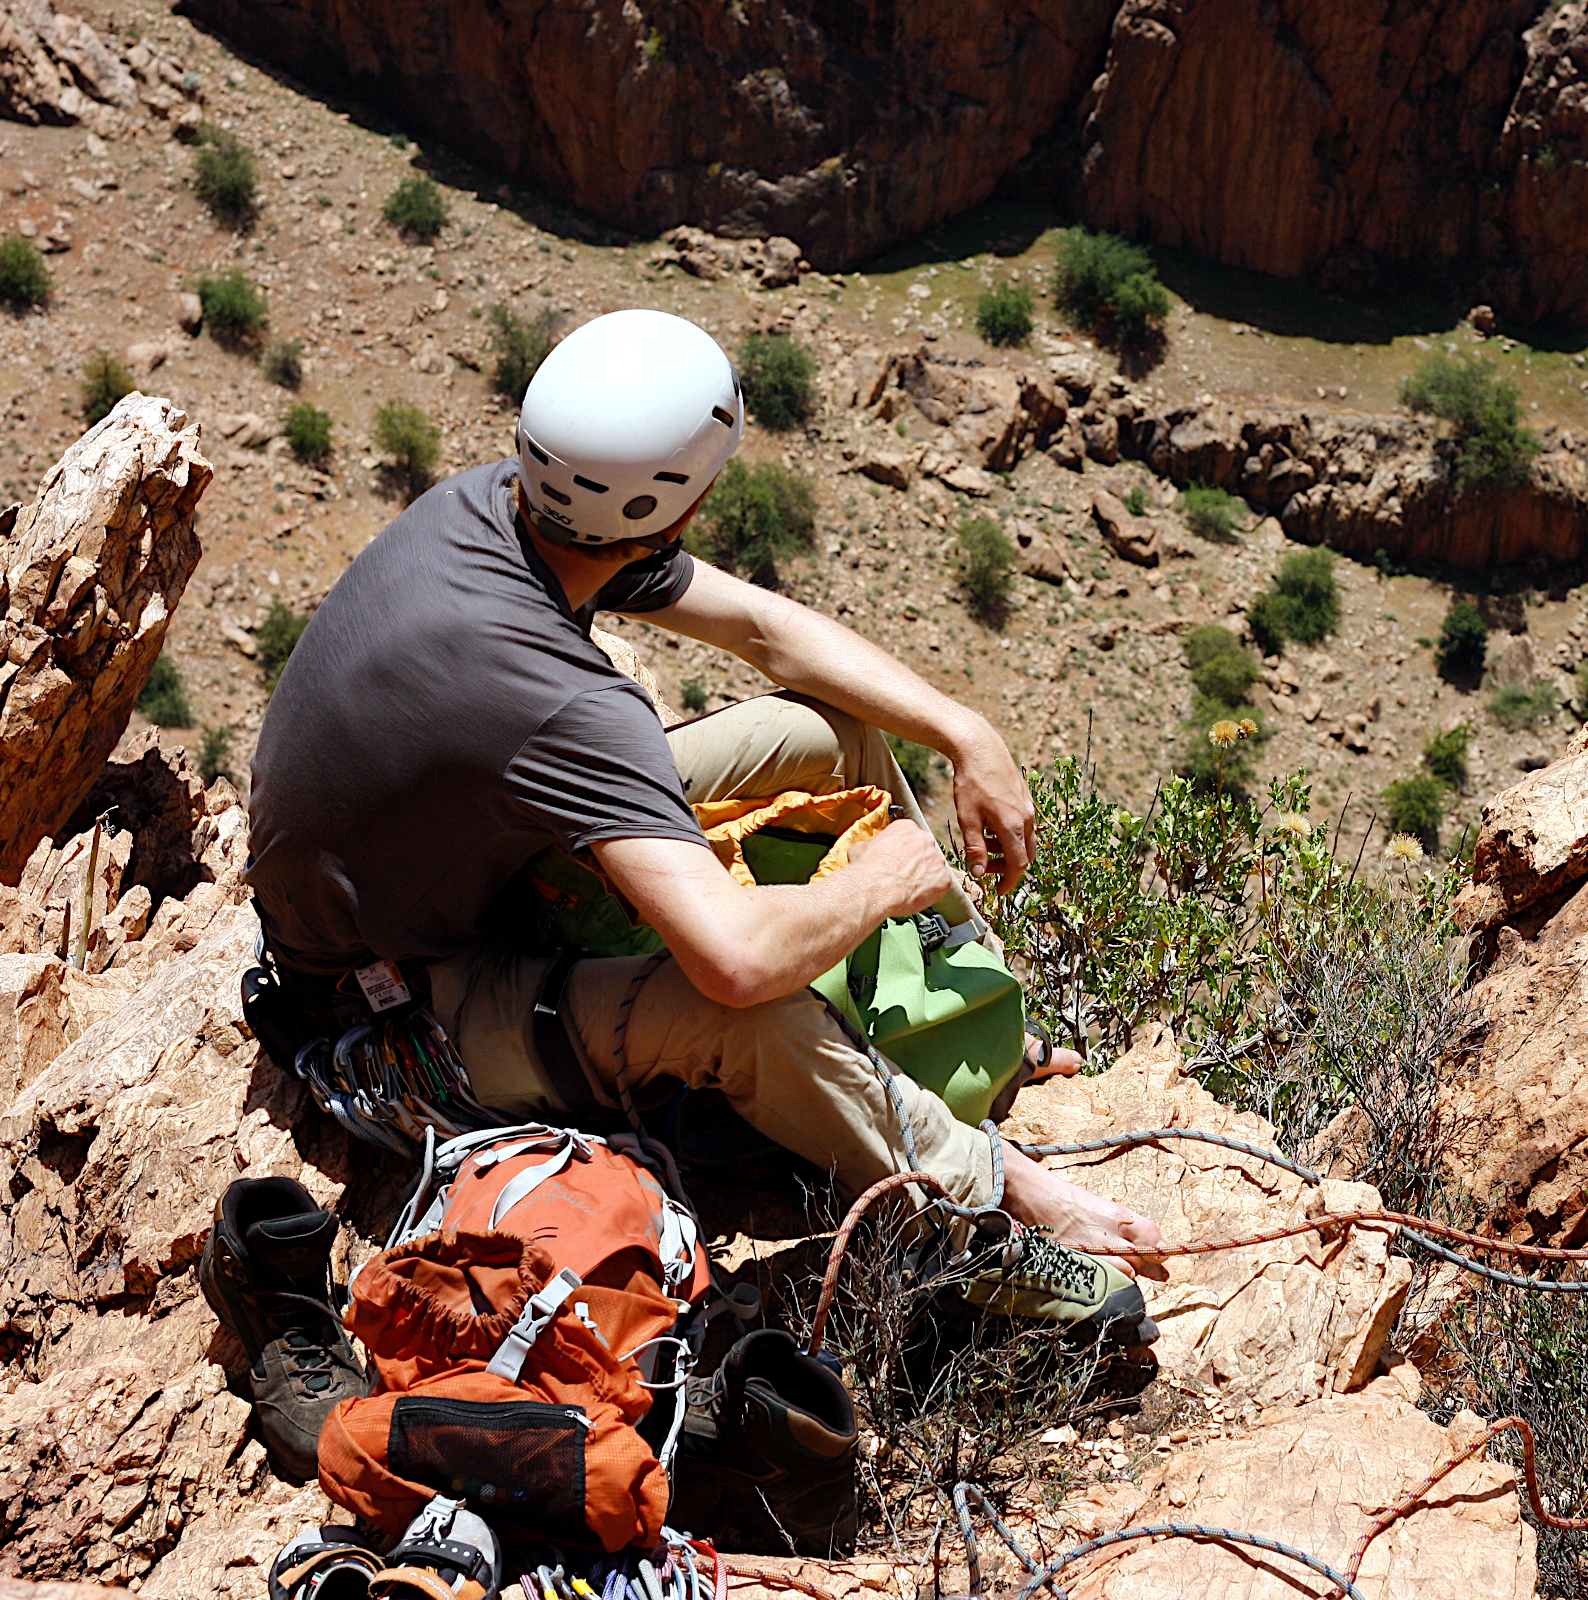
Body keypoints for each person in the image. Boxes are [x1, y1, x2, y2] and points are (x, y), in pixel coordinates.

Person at [242, 309, 1166, 1356]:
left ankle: (964, 1011)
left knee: (822, 732)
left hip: (455, 877)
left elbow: (768, 631)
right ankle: (981, 1204)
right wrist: (879, 881)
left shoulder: (505, 510)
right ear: (688, 499)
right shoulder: (571, 707)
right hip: (399, 1020)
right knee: (748, 1019)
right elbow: (732, 964)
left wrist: (965, 730)